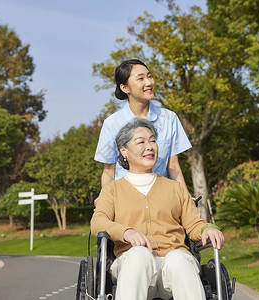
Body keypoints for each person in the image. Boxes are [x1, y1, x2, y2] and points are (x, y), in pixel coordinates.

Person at [91, 119, 224, 300]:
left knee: (179, 258)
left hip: (172, 266)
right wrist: (126, 232)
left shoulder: (175, 188)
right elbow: (98, 222)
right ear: (124, 151)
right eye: (141, 142)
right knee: (139, 255)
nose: (150, 146)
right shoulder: (112, 190)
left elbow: (194, 224)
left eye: (152, 140)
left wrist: (207, 228)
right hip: (132, 265)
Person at [94, 59, 192, 189]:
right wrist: (105, 201)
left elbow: (173, 166)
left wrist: (185, 199)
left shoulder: (169, 118)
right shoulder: (111, 123)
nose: (149, 82)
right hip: (125, 199)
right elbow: (108, 171)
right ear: (125, 88)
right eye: (141, 79)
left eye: (149, 76)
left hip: (159, 197)